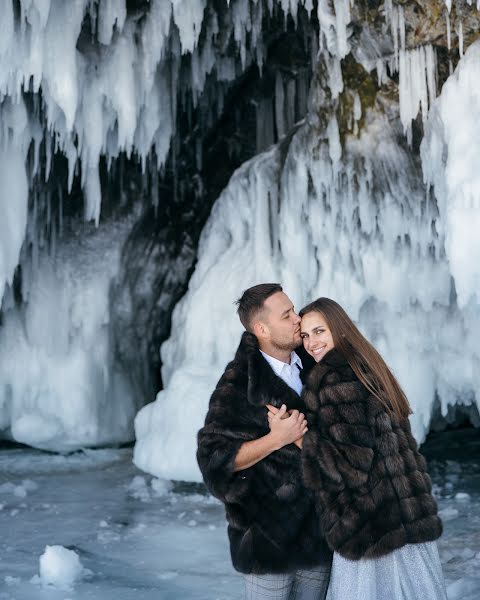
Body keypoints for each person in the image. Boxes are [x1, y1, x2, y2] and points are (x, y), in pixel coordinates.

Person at [272, 296, 446, 600]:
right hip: (405, 517)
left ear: (339, 329)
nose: (311, 343)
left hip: (371, 526)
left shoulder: (336, 380)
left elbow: (348, 466)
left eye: (319, 331)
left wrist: (294, 435)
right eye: (305, 335)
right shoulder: (367, 367)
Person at [197, 284, 332, 600]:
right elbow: (212, 461)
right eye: (287, 315)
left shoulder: (317, 365)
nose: (298, 319)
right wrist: (275, 439)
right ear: (262, 328)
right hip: (268, 536)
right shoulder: (239, 383)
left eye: (294, 310)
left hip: (319, 529)